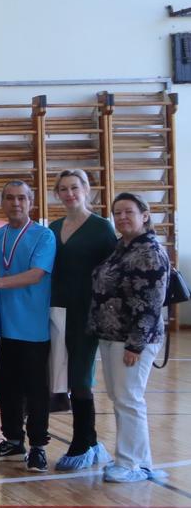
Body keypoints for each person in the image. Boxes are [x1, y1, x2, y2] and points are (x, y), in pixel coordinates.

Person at [88, 193, 171, 484]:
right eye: (117, 213)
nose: (122, 217)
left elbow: (151, 303)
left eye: (128, 212)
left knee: (128, 399)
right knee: (122, 398)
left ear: (144, 215)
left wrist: (135, 344)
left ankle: (130, 464)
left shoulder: (149, 252)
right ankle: (141, 461)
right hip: (112, 335)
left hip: (132, 340)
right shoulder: (122, 247)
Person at [0, 181, 56, 473]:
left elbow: (36, 274)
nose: (16, 203)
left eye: (22, 198)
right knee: (5, 386)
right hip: (1, 327)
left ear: (31, 202)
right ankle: (13, 440)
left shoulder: (43, 236)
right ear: (2, 202)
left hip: (32, 328)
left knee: (35, 390)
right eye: (9, 198)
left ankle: (38, 447)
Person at [48, 170, 117, 471]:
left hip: (87, 314)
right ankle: (92, 443)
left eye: (74, 187)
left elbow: (112, 274)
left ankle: (81, 443)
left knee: (80, 377)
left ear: (86, 189)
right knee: (59, 376)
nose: (69, 194)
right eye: (63, 189)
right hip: (56, 311)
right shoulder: (53, 228)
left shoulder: (101, 228)